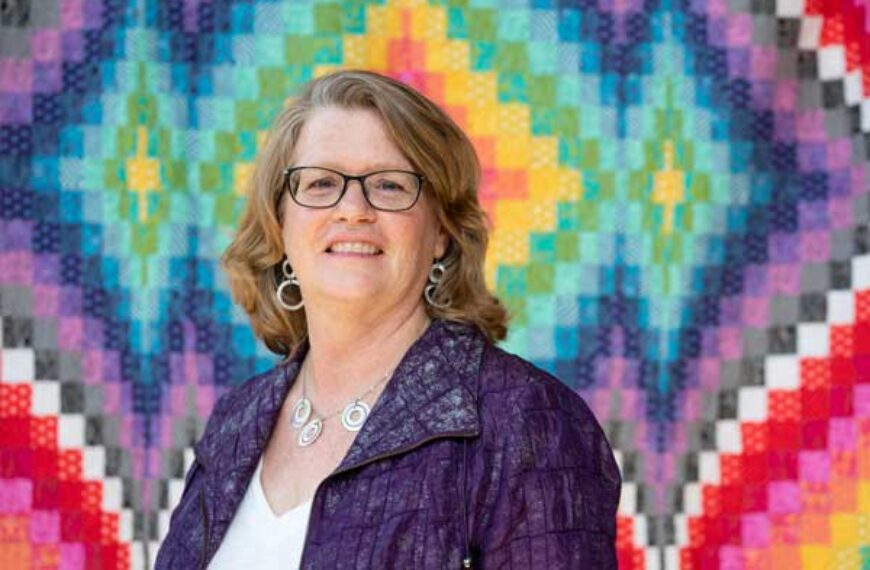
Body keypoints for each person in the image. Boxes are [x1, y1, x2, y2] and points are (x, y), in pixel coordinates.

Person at [155, 70, 620, 569]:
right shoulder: (234, 424)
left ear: (440, 232)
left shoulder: (527, 422)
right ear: (280, 224)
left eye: (390, 185)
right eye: (321, 183)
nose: (353, 209)